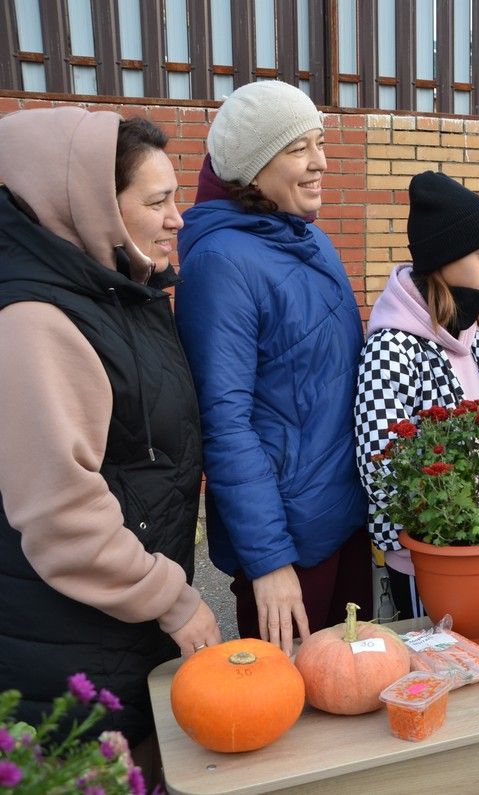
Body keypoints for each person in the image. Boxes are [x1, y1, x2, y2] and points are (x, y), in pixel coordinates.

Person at [0, 108, 220, 748]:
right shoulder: (36, 320)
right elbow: (64, 519)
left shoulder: (119, 289)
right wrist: (174, 600)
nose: (178, 218)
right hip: (70, 648)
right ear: (90, 206)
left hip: (122, 627)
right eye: (158, 202)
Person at [175, 81, 370, 655]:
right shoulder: (220, 264)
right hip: (289, 541)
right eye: (297, 150)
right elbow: (225, 423)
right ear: (252, 170)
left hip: (345, 519)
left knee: (355, 701)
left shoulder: (311, 238)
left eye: (319, 143)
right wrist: (269, 561)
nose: (320, 164)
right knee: (292, 718)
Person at [355, 171, 479, 619]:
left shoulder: (472, 332)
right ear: (443, 258)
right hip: (427, 557)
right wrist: (437, 530)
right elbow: (379, 461)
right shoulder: (392, 346)